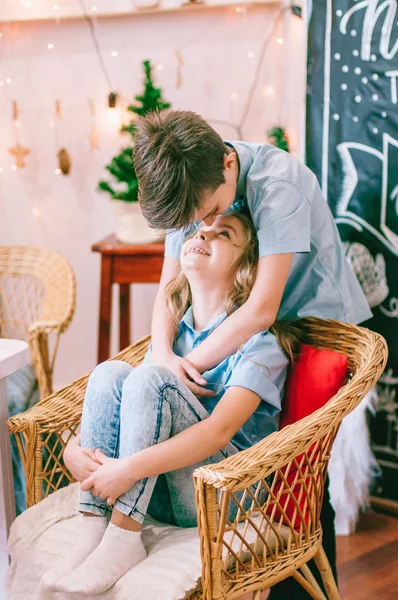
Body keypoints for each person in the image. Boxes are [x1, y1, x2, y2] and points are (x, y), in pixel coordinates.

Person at [132, 109, 372, 599]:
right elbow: (169, 289)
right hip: (240, 323)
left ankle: (304, 587)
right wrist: (161, 355)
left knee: (300, 471)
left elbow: (263, 310)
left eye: (208, 212)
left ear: (225, 163)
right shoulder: (190, 187)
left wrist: (186, 367)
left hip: (309, 324)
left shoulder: (277, 183)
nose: (200, 226)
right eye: (191, 221)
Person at [42, 212, 295, 596]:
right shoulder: (172, 337)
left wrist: (127, 469)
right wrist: (72, 451)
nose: (202, 236)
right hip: (158, 487)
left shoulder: (261, 342)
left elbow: (220, 431)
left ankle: (124, 538)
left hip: (226, 494)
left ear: (246, 265)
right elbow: (130, 411)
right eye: (199, 230)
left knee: (150, 379)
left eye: (222, 234)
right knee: (110, 374)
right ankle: (94, 528)